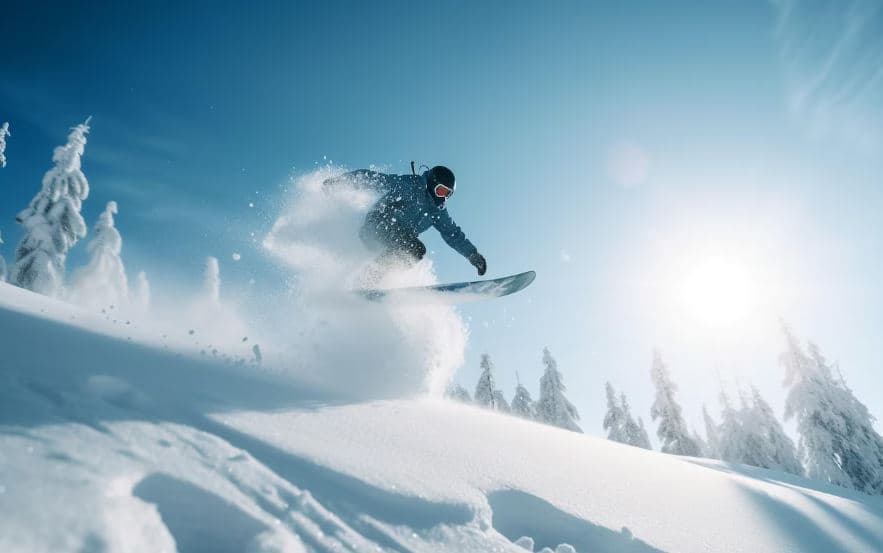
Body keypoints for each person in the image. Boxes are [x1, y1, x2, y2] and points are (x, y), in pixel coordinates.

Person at [323, 165, 486, 283]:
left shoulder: (437, 211)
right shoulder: (410, 185)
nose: (443, 197)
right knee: (413, 248)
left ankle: (373, 278)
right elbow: (374, 179)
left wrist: (472, 255)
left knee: (416, 252)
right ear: (432, 183)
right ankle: (370, 276)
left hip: (393, 240)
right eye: (441, 191)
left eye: (447, 194)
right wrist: (340, 182)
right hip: (378, 223)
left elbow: (453, 234)